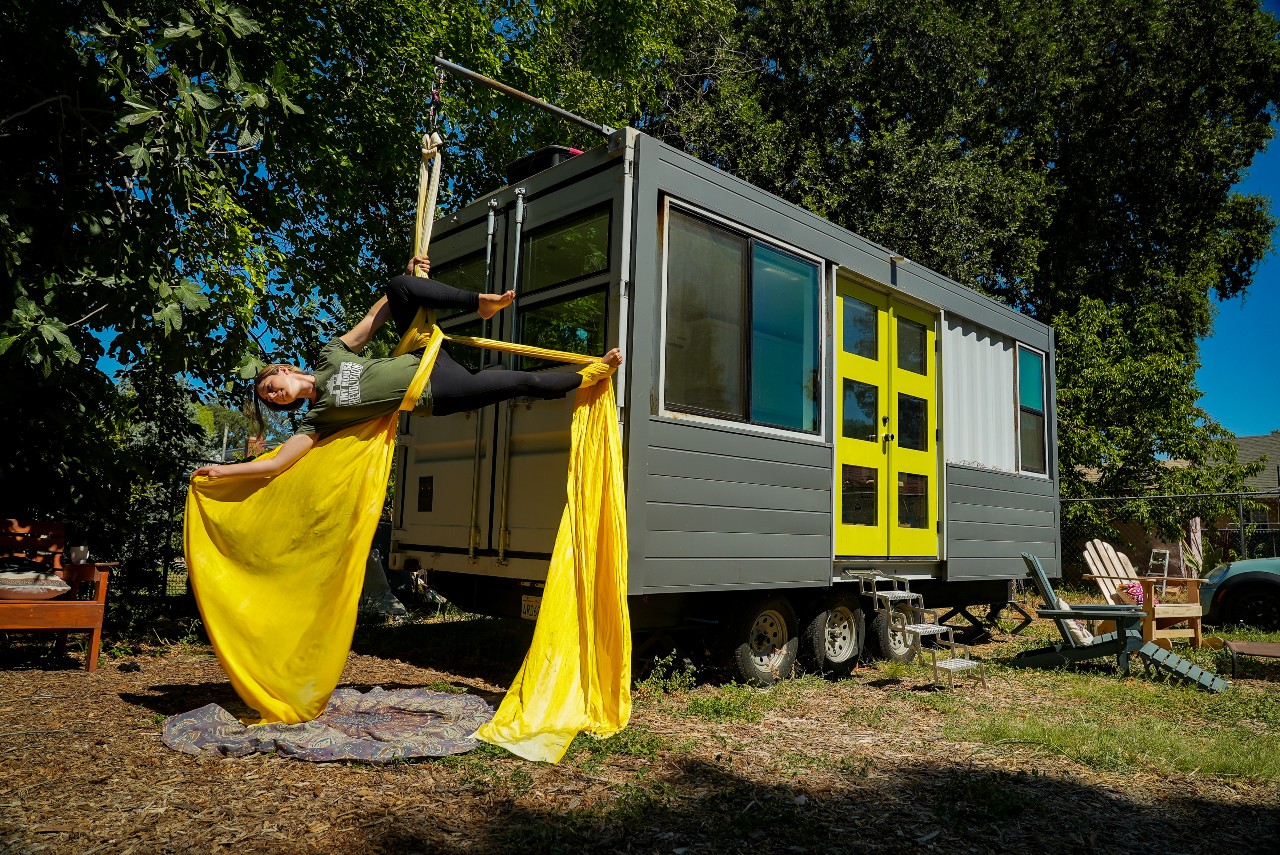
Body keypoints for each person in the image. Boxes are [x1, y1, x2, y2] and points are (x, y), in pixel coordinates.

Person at [194, 255, 622, 480]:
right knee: (521, 381)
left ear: (284, 369)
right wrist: (226, 468)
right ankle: (593, 373)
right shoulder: (317, 419)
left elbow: (373, 319)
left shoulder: (329, 356)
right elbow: (274, 464)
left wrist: (410, 280)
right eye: (270, 399)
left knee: (398, 287)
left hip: (420, 351)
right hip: (435, 391)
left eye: (271, 385)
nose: (273, 394)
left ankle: (481, 304)